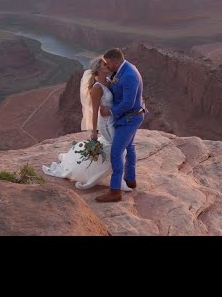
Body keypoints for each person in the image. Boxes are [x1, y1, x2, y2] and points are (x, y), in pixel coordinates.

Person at [41, 56, 133, 192]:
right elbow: (95, 111)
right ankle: (117, 182)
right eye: (104, 65)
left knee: (115, 149)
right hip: (106, 124)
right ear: (98, 70)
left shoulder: (109, 81)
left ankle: (107, 176)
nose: (107, 66)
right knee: (120, 150)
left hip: (113, 121)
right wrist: (94, 131)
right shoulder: (97, 88)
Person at [95, 47, 145, 203]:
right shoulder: (124, 69)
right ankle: (130, 179)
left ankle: (115, 191)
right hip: (130, 117)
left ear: (116, 61)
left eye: (108, 63)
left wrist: (110, 111)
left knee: (116, 152)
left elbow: (128, 103)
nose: (107, 66)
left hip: (129, 118)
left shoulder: (129, 75)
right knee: (129, 147)